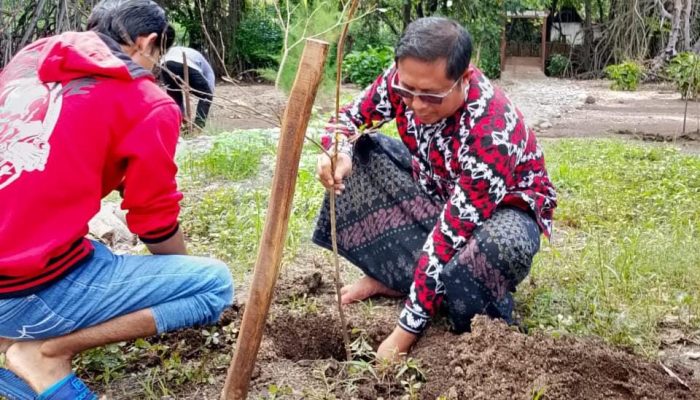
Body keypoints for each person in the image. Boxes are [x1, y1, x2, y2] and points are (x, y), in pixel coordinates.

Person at [0, 0, 234, 398]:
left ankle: (10, 348)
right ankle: (48, 351)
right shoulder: (147, 101)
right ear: (148, 42)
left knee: (94, 254)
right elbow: (154, 221)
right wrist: (178, 273)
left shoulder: (31, 59)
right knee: (212, 285)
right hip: (16, 288)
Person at [314, 17, 557, 360]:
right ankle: (398, 277)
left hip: (502, 213)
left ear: (464, 78)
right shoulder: (405, 83)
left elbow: (447, 238)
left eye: (431, 95)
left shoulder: (493, 131)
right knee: (363, 153)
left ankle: (449, 294)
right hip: (440, 191)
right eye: (406, 91)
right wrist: (337, 149)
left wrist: (403, 333)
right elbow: (347, 119)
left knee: (485, 257)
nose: (415, 104)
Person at [160, 41, 216, 129]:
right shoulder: (207, 66)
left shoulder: (180, 50)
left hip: (165, 64)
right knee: (207, 95)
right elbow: (210, 82)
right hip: (186, 63)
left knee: (175, 94)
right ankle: (198, 125)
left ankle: (181, 120)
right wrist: (208, 94)